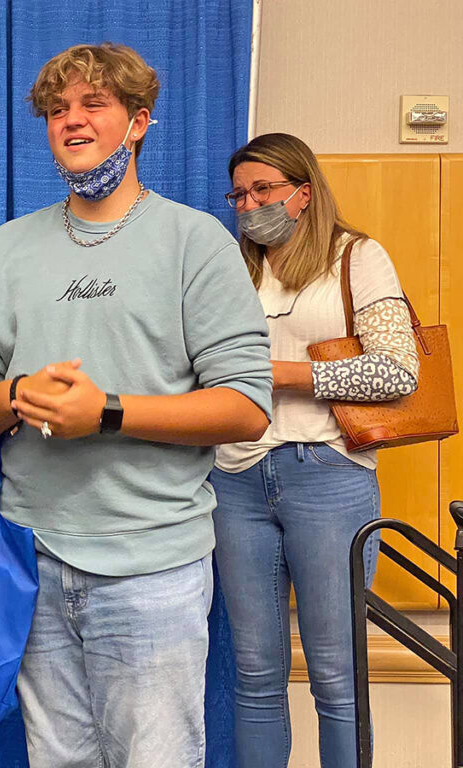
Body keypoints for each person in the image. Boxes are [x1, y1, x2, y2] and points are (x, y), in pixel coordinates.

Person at [0, 43, 272, 768]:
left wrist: (109, 413)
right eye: (58, 111)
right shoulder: (6, 250)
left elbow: (246, 408)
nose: (73, 121)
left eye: (94, 105)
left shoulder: (195, 243)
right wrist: (14, 397)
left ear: (138, 123)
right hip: (31, 559)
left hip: (153, 567)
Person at [212, 132, 419, 768]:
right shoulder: (231, 269)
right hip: (234, 475)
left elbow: (397, 372)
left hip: (327, 473)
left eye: (264, 190)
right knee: (253, 674)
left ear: (304, 193)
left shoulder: (358, 258)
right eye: (240, 194)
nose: (250, 205)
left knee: (335, 674)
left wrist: (278, 372)